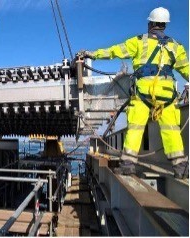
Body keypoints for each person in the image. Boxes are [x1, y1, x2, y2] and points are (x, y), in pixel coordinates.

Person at [78, 7, 189, 178]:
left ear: (150, 23)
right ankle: (181, 168)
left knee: (136, 129)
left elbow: (114, 51)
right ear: (165, 25)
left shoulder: (139, 42)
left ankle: (128, 165)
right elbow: (186, 69)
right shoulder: (176, 46)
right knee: (172, 130)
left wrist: (93, 54)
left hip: (143, 94)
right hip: (167, 95)